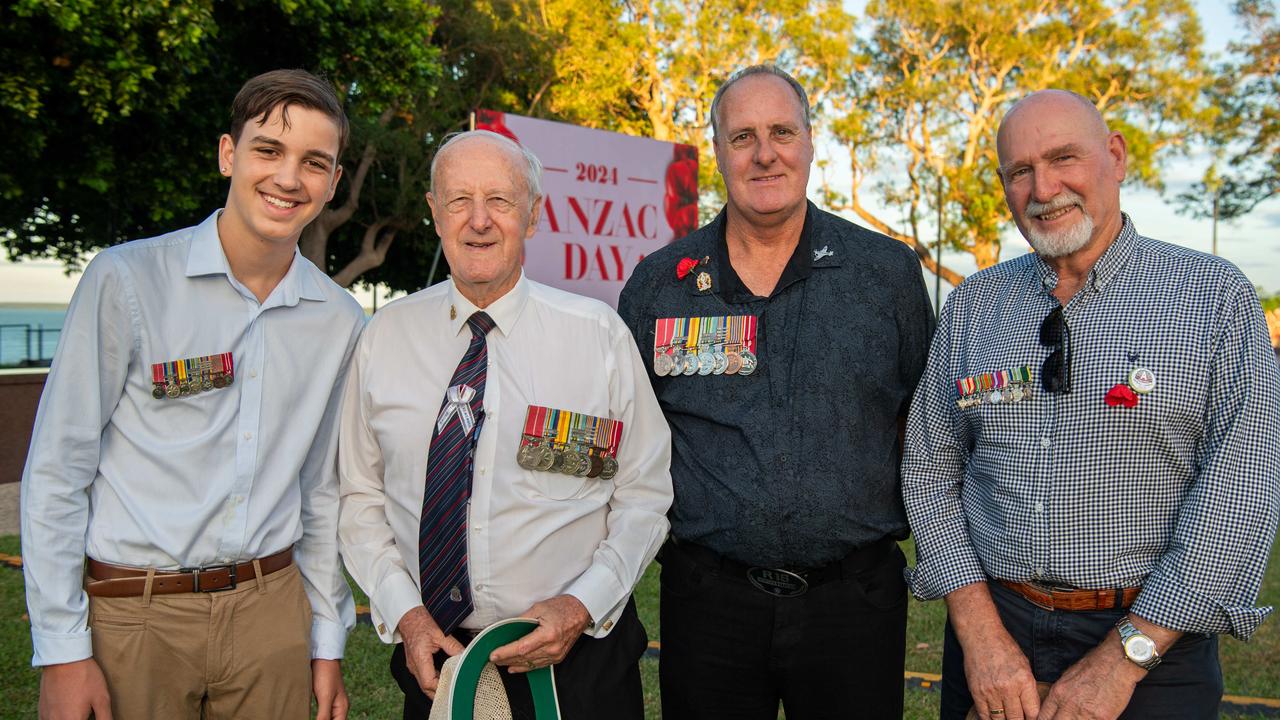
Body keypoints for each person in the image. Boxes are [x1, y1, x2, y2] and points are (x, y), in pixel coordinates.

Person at [902, 89, 1280, 720]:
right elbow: (929, 463)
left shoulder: (1212, 299)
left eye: (1063, 158)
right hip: (998, 637)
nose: (1043, 187)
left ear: (1116, 157)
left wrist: (1123, 659)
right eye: (1020, 171)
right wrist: (981, 635)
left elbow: (1239, 491)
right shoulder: (974, 305)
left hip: (1156, 645)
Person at [21, 69, 363, 720]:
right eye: (269, 150)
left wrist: (324, 644)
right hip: (133, 616)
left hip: (271, 611)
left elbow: (320, 491)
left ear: (334, 182)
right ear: (228, 154)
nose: (289, 178)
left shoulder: (339, 319)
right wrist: (64, 651)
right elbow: (58, 472)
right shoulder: (126, 282)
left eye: (314, 162)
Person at [617, 65, 935, 719]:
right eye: (743, 137)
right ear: (719, 151)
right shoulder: (660, 285)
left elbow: (926, 425)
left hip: (854, 604)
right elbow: (626, 438)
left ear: (812, 141)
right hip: (708, 604)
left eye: (782, 131)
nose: (765, 153)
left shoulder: (886, 274)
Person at [336, 130, 673, 720]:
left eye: (500, 200)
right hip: (438, 662)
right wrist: (406, 614)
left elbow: (645, 494)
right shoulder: (384, 339)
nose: (479, 221)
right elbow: (360, 499)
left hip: (580, 661)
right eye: (459, 200)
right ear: (433, 213)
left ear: (534, 215)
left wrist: (579, 607)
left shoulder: (598, 337)